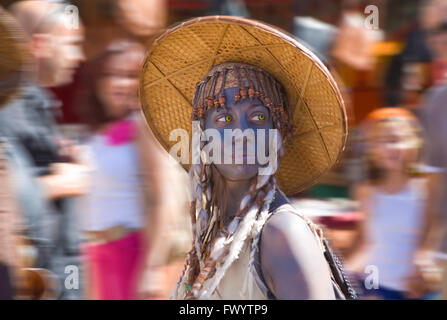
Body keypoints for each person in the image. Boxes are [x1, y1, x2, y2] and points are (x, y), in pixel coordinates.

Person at [139, 16, 356, 300]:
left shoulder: (283, 234)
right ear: (203, 137)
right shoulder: (212, 237)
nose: (241, 133)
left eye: (258, 117)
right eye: (224, 117)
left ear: (279, 136)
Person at [76, 40, 188, 300]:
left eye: (128, 76)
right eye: (110, 74)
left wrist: (153, 266)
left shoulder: (144, 126)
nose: (119, 83)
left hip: (132, 251)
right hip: (96, 254)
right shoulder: (94, 133)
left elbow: (165, 200)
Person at [0, 0, 86, 270]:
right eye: (72, 44)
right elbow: (9, 198)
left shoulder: (36, 104)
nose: (79, 56)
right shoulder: (11, 107)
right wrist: (62, 183)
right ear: (40, 45)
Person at [347, 108, 441, 299]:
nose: (391, 148)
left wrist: (425, 259)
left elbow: (433, 230)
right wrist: (344, 270)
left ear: (413, 144)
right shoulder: (367, 192)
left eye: (397, 140)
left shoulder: (424, 189)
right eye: (383, 141)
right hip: (376, 287)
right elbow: (365, 241)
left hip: (414, 290)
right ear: (374, 150)